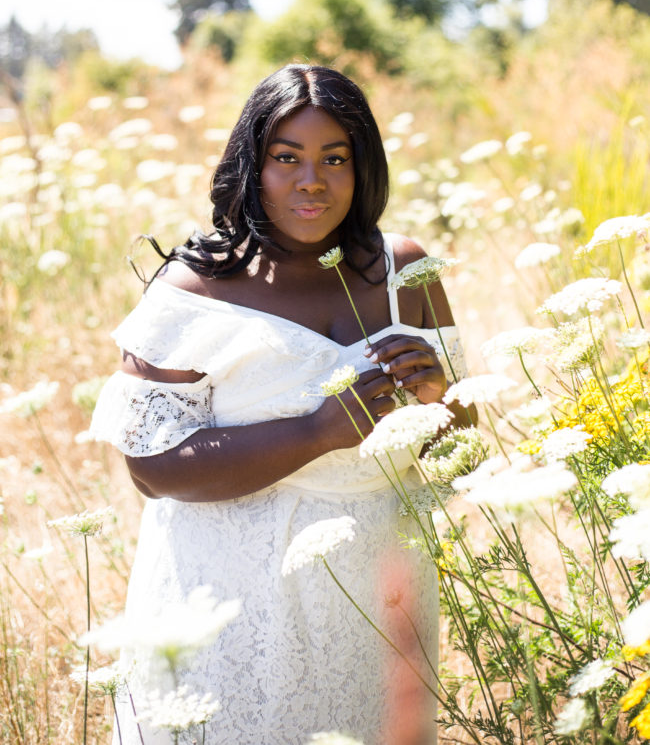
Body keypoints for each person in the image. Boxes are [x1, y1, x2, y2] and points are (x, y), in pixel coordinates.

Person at [90, 64, 471, 745]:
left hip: (374, 592)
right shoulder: (196, 288)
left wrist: (440, 399)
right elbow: (152, 467)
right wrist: (318, 430)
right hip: (225, 599)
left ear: (365, 168)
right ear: (250, 166)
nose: (311, 181)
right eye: (286, 158)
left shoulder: (404, 271)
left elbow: (459, 451)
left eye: (335, 158)